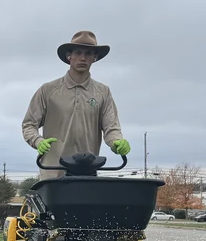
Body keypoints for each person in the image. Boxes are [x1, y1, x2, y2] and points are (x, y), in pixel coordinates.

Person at [21, 30, 130, 179]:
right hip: (52, 173)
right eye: (78, 53)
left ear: (95, 58)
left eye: (88, 53)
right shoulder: (48, 90)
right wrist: (38, 141)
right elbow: (29, 124)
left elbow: (111, 128)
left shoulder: (102, 92)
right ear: (69, 56)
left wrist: (117, 142)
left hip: (87, 174)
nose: (83, 58)